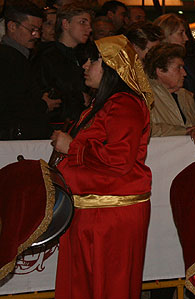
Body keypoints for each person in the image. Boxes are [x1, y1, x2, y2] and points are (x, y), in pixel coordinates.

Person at [50, 35, 154, 299]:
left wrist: (72, 147)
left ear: (111, 65)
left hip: (110, 215)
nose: (85, 66)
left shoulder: (125, 104)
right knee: (86, 286)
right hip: (94, 211)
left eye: (92, 60)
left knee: (108, 287)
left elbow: (119, 159)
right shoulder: (103, 104)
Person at [0, 0, 60, 139]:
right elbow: (10, 104)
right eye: (32, 30)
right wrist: (43, 105)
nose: (37, 36)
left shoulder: (20, 56)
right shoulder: (9, 59)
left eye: (38, 30)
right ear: (12, 26)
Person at [31, 4, 93, 127]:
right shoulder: (46, 57)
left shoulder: (84, 56)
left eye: (89, 24)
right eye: (82, 22)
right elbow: (44, 97)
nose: (89, 29)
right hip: (55, 127)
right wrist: (79, 97)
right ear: (65, 24)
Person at [144, 43, 195, 144]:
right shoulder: (144, 96)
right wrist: (184, 132)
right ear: (160, 71)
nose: (184, 73)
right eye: (179, 67)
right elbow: (146, 130)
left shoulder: (186, 96)